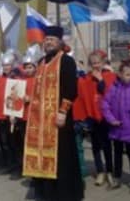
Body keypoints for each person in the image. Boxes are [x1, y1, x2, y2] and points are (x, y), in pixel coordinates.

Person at [23, 26, 84, 201]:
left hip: (58, 117)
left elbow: (71, 89)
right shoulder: (42, 62)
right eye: (47, 39)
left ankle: (62, 194)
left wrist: (63, 111)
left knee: (62, 155)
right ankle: (44, 191)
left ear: (60, 42)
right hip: (40, 120)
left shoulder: (66, 61)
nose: (48, 42)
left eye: (52, 39)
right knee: (41, 154)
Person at [102, 63, 130, 192]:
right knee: (117, 154)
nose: (129, 77)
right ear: (119, 74)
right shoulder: (113, 88)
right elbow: (105, 105)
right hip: (116, 129)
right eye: (127, 74)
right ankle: (117, 178)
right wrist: (111, 120)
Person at [79, 50, 116, 187]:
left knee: (107, 145)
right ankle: (100, 170)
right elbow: (82, 95)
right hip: (92, 116)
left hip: (106, 116)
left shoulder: (110, 76)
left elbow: (110, 93)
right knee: (95, 146)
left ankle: (110, 171)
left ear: (103, 62)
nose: (96, 65)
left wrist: (100, 79)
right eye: (93, 63)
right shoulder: (87, 78)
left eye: (98, 62)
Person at [0, 52, 21, 175]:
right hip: (2, 116)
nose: (6, 67)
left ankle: (18, 167)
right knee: (5, 142)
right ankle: (9, 164)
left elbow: (18, 98)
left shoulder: (17, 79)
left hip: (13, 117)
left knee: (15, 143)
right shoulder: (0, 80)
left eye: (8, 65)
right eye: (4, 65)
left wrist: (16, 115)